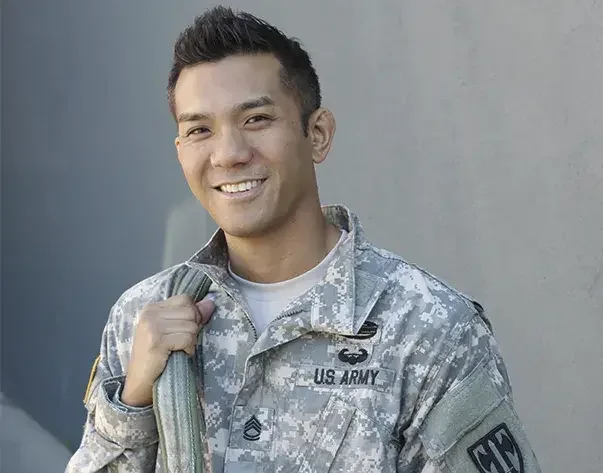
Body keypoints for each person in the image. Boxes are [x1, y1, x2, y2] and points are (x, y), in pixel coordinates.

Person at [65, 6, 541, 473]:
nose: (228, 153)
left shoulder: (428, 329)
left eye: (256, 119)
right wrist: (132, 402)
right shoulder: (141, 316)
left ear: (317, 134)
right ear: (181, 151)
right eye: (199, 130)